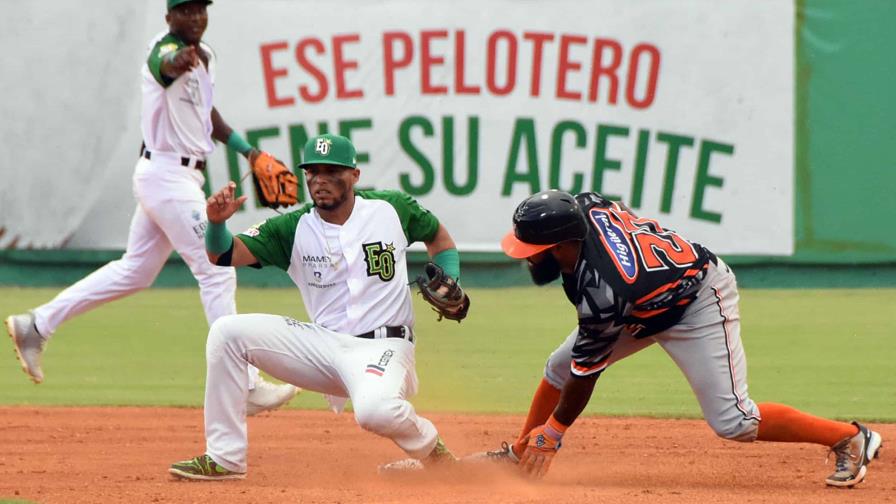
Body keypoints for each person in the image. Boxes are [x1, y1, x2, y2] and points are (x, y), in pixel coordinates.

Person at [470, 190, 882, 488]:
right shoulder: (585, 206)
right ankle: (522, 450)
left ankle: (849, 437)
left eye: (532, 248)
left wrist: (555, 431)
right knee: (557, 367)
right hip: (645, 301)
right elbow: (616, 210)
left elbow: (585, 376)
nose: (525, 256)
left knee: (735, 421)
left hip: (698, 301)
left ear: (560, 245)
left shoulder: (605, 293)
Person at [4, 0, 297, 415]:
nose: (195, 17)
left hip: (176, 178)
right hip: (166, 178)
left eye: (201, 10)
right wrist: (181, 58)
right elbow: (167, 65)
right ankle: (243, 383)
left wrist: (248, 152)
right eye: (186, 11)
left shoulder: (206, 55)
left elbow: (205, 113)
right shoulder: (162, 52)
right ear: (169, 18)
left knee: (136, 270)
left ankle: (36, 324)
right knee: (216, 269)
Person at [168, 133, 466, 480]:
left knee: (374, 412)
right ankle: (225, 458)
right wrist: (216, 223)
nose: (320, 180)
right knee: (227, 332)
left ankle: (437, 457)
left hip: (384, 347)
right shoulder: (292, 228)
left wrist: (452, 278)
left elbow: (439, 237)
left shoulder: (390, 209)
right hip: (322, 346)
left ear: (354, 175)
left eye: (331, 171)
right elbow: (222, 254)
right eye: (313, 172)